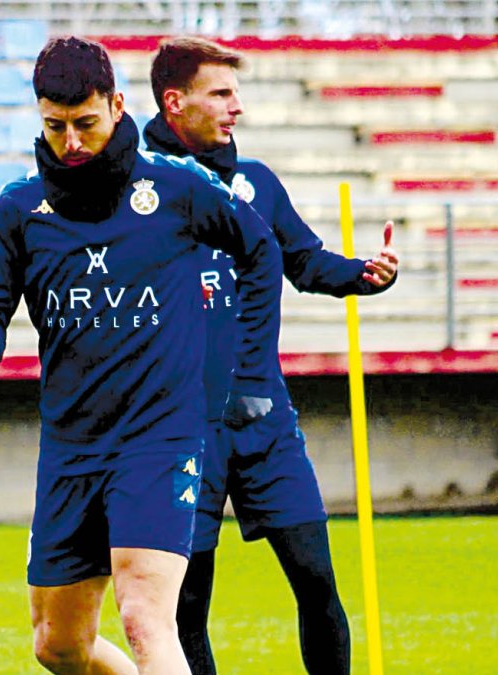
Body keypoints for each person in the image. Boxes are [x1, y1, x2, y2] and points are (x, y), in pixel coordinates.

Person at [0, 36, 282, 675]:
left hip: (160, 438)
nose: (71, 142)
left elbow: (260, 250)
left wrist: (246, 362)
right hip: (72, 446)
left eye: (86, 124)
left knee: (143, 617)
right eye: (55, 126)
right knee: (57, 645)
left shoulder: (178, 187)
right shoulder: (19, 209)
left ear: (117, 105)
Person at [143, 37, 400, 675]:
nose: (238, 107)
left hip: (264, 420)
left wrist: (362, 274)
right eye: (221, 93)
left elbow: (306, 261)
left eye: (237, 92)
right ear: (176, 101)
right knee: (185, 609)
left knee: (317, 582)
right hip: (178, 429)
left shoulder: (256, 183)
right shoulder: (141, 188)